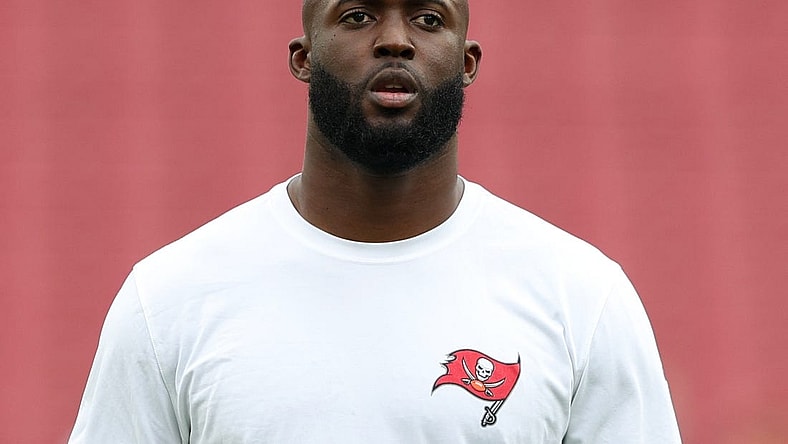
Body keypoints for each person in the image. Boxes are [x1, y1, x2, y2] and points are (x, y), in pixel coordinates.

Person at [69, 0, 682, 442]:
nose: (395, 39)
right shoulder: (170, 297)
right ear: (303, 57)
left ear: (467, 62)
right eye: (358, 16)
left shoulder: (580, 295)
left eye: (428, 18)